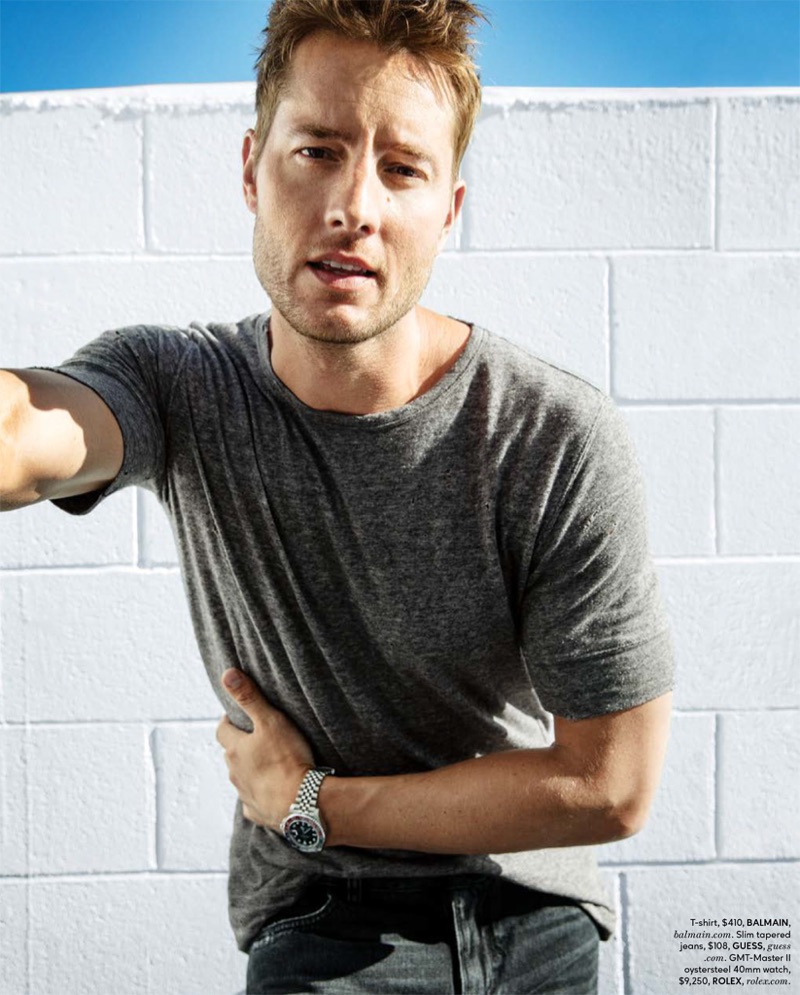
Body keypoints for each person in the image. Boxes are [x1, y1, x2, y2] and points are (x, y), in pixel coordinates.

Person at [0, 1, 674, 992]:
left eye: (400, 168)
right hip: (321, 925)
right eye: (316, 149)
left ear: (445, 207)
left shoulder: (553, 435)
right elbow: (27, 432)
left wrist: (310, 797)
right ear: (249, 168)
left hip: (534, 919)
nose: (353, 204)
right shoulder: (177, 387)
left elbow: (608, 786)